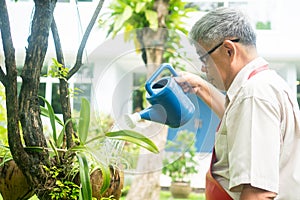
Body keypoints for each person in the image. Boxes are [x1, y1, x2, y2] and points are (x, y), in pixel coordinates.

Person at [176, 7, 300, 199]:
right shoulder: (262, 86)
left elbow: (257, 194)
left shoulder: (253, 95)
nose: (203, 67)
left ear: (228, 50)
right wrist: (200, 87)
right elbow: (235, 121)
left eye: (204, 58)